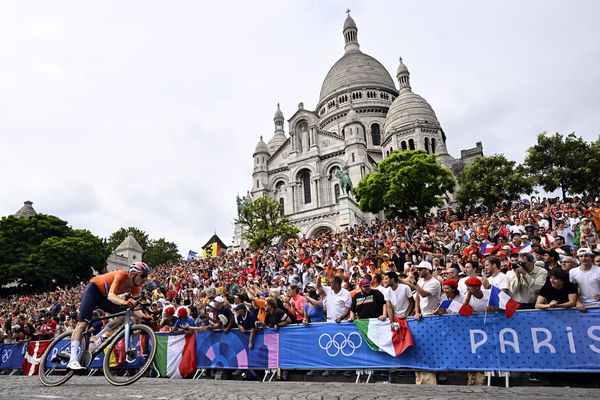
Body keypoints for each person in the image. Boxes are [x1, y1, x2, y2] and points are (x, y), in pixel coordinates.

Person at [67, 262, 151, 370]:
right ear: (133, 273)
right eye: (143, 276)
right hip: (93, 290)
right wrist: (123, 302)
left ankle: (96, 339)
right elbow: (111, 296)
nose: (145, 279)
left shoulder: (136, 288)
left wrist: (145, 317)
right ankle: (72, 360)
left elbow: (134, 308)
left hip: (103, 298)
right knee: (82, 324)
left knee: (125, 315)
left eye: (146, 276)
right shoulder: (121, 275)